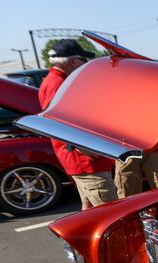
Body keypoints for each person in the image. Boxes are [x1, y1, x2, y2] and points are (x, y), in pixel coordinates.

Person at [38, 39, 118, 209]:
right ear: (73, 61)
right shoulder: (58, 83)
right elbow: (56, 122)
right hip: (85, 160)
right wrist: (87, 149)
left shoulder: (56, 80)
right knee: (110, 211)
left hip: (82, 159)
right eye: (83, 60)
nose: (85, 64)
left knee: (88, 207)